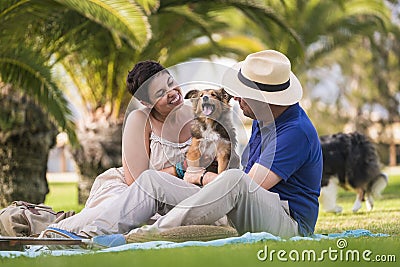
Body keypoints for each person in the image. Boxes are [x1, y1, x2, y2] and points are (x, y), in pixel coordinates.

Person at [50, 50, 322, 239]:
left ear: (265, 98)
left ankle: (146, 236)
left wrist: (200, 176)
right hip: (245, 207)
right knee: (152, 181)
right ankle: (76, 231)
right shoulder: (267, 120)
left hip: (289, 223)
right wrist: (186, 177)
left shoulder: (294, 132)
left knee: (238, 180)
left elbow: (248, 188)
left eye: (244, 95)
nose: (236, 99)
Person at [49, 60, 196, 234]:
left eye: (171, 83)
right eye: (160, 93)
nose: (172, 93)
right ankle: (53, 235)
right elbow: (138, 183)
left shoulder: (198, 111)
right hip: (131, 189)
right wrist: (181, 168)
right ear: (147, 103)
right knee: (110, 210)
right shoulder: (141, 120)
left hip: (177, 193)